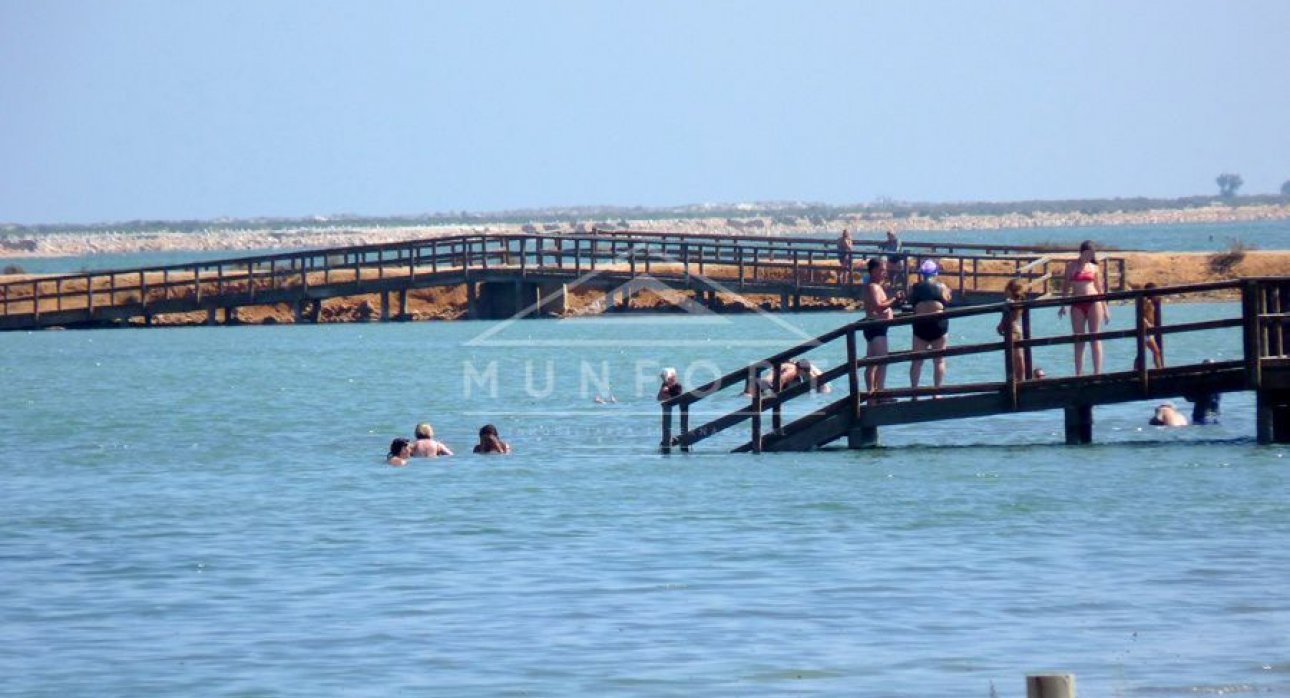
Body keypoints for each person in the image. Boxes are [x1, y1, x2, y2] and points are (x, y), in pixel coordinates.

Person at [1058, 240, 1110, 375]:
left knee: (1095, 336)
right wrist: (1063, 305)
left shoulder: (1094, 268)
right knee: (1079, 339)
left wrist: (1105, 309)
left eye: (1092, 254)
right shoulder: (1071, 266)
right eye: (1087, 253)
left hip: (1094, 302)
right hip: (1077, 302)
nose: (1089, 256)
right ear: (1082, 252)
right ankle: (1078, 373)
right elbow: (1066, 286)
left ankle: (1097, 372)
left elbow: (1100, 289)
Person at [909, 260, 952, 396]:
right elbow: (947, 301)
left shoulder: (915, 287)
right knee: (939, 360)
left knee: (917, 361)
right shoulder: (942, 287)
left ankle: (914, 392)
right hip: (938, 326)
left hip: (920, 326)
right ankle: (937, 392)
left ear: (922, 273)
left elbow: (911, 302)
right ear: (936, 273)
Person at [862, 257, 903, 402]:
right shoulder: (872, 286)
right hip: (876, 327)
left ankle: (872, 395)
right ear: (873, 271)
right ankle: (879, 393)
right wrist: (894, 300)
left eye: (884, 270)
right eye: (881, 270)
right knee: (881, 361)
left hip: (877, 327)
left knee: (872, 362)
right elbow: (878, 307)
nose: (884, 272)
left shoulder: (876, 286)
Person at [997, 278, 1028, 381]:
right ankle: (1021, 379)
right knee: (1019, 357)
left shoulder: (1010, 302)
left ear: (1010, 290)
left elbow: (1007, 317)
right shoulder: (1020, 302)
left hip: (1011, 330)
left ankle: (1014, 380)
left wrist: (1000, 325)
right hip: (1017, 328)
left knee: (1013, 358)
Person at [1136, 282, 1164, 370]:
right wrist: (1147, 324)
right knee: (1153, 351)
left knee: (1150, 352)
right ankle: (1159, 370)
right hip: (1145, 331)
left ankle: (1159, 369)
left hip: (1148, 332)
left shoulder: (1152, 302)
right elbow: (1140, 315)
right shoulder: (1146, 302)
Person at [1184, 359, 1222, 424]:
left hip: (1200, 417)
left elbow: (1189, 398)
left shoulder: (1199, 384)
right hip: (1213, 416)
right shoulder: (1218, 383)